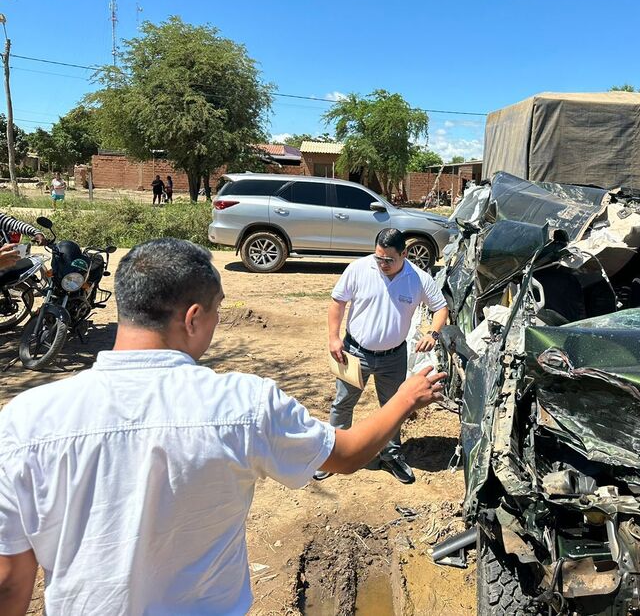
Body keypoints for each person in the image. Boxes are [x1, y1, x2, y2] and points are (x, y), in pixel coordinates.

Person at [0, 238, 445, 615]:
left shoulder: (25, 420)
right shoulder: (243, 404)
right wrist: (407, 397)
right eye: (216, 312)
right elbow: (346, 454)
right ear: (193, 318)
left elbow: (9, 582)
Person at [318, 228, 449, 485]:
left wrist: (432, 334)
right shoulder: (359, 269)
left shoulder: (418, 278)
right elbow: (337, 302)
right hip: (354, 352)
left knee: (394, 407)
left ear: (405, 254)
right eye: (379, 258)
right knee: (343, 403)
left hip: (393, 357)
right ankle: (333, 454)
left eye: (389, 259)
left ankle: (391, 455)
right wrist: (334, 338)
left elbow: (440, 308)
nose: (383, 264)